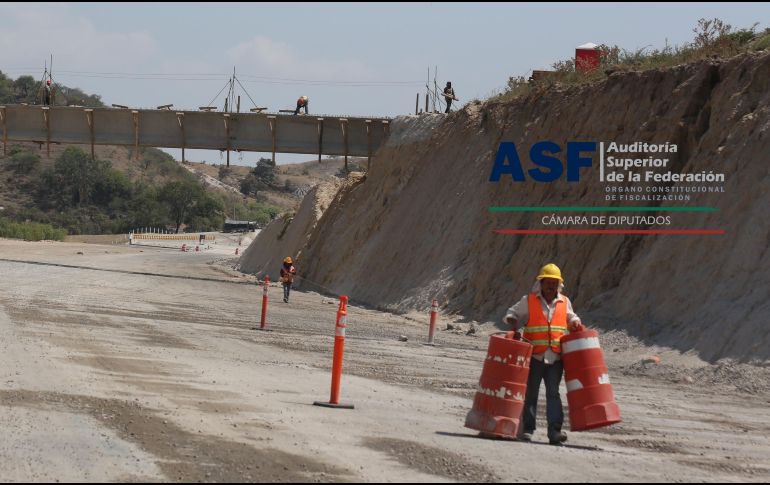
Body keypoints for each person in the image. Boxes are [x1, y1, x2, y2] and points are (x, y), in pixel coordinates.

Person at [503, 263, 585, 445]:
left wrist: (575, 322)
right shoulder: (529, 300)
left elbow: (571, 316)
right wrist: (512, 319)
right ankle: (527, 430)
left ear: (559, 285)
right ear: (540, 283)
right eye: (547, 282)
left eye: (554, 283)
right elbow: (512, 312)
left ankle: (555, 432)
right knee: (531, 393)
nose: (550, 286)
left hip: (555, 357)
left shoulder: (564, 301)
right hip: (534, 356)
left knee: (553, 394)